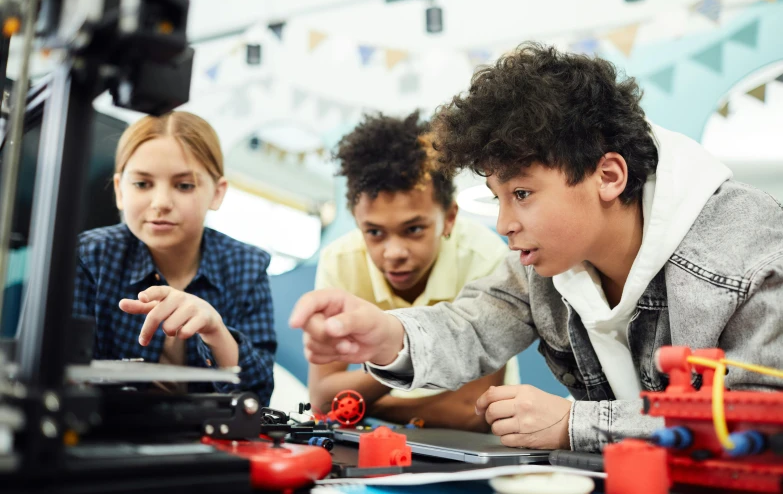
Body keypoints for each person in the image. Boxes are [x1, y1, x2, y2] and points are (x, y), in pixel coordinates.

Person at [290, 43, 783, 452]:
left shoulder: (750, 248)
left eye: (521, 194)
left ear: (608, 176)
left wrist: (576, 424)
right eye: (497, 199)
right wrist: (388, 335)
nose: (504, 224)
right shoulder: (544, 263)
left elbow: (763, 424)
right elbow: (474, 323)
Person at [310, 111, 513, 432]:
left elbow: (471, 411)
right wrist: (396, 360)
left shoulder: (486, 257)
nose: (394, 253)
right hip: (375, 438)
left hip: (471, 445)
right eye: (374, 232)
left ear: (449, 218)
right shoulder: (341, 260)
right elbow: (322, 399)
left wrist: (368, 397)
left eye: (414, 229)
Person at [73, 111, 275, 404]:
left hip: (207, 439)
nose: (161, 203)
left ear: (217, 194)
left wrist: (216, 331)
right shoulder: (90, 257)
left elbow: (257, 397)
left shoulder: (248, 267)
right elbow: (65, 377)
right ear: (119, 190)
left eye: (184, 185)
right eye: (142, 184)